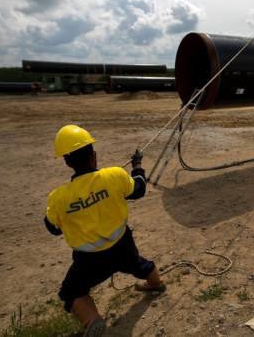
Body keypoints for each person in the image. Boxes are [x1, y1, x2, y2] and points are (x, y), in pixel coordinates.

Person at [44, 125, 165, 336]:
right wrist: (137, 165)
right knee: (138, 264)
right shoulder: (114, 176)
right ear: (94, 156)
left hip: (89, 261)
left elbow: (52, 228)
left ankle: (92, 321)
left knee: (70, 292)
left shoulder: (58, 198)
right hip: (122, 246)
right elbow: (139, 188)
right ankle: (155, 283)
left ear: (66, 162)